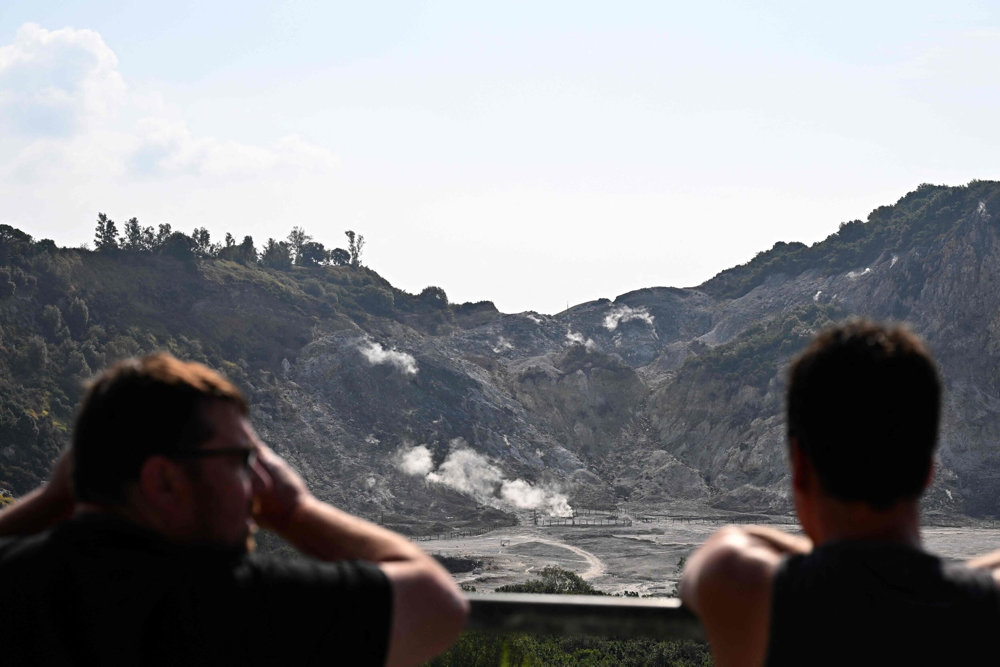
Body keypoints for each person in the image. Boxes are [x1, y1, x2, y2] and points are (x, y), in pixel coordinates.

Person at [0, 353, 468, 666]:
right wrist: (295, 510)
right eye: (242, 460)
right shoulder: (234, 601)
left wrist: (50, 501)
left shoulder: (19, 581)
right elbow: (437, 603)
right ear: (163, 481)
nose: (259, 482)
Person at [680, 321, 1000, 667]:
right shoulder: (984, 606)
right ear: (928, 472)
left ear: (800, 467)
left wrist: (839, 556)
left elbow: (730, 542)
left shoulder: (744, 583)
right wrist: (932, 574)